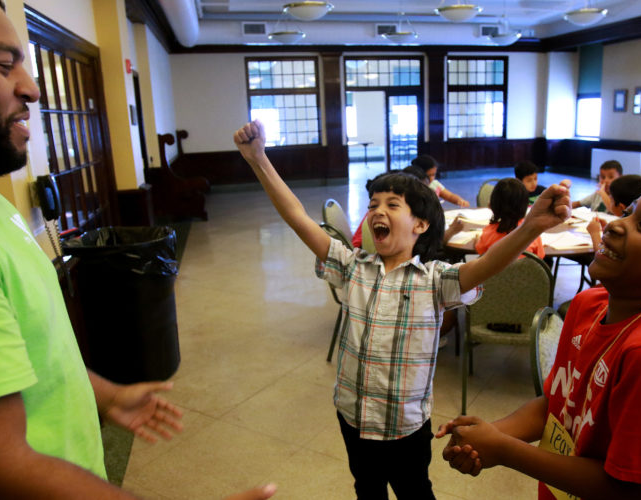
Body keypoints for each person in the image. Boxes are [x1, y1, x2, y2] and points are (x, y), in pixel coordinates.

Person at [0, 3, 274, 498]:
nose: (32, 87)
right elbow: (2, 461)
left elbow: (38, 353)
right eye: (2, 63)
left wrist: (106, 395)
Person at [233, 119, 571, 499]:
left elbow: (485, 265)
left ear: (421, 224)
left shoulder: (434, 280)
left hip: (405, 427)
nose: (378, 210)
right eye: (374, 204)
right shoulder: (351, 266)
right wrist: (259, 159)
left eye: (393, 204)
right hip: (353, 417)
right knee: (367, 489)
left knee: (415, 492)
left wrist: (530, 227)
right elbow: (297, 217)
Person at [437, 182, 641, 500]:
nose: (617, 223)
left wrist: (505, 450)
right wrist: (487, 437)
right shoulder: (588, 306)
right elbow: (556, 406)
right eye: (630, 212)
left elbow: (632, 491)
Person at [475, 178, 544, 259]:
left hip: (496, 272)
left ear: (493, 204)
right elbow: (540, 256)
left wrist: (477, 240)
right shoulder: (532, 232)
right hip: (525, 271)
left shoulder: (488, 233)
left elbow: (480, 251)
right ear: (525, 205)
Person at [586, 174, 641, 249]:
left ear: (621, 208)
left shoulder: (626, 231)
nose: (609, 200)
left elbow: (602, 253)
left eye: (611, 199)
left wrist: (595, 234)